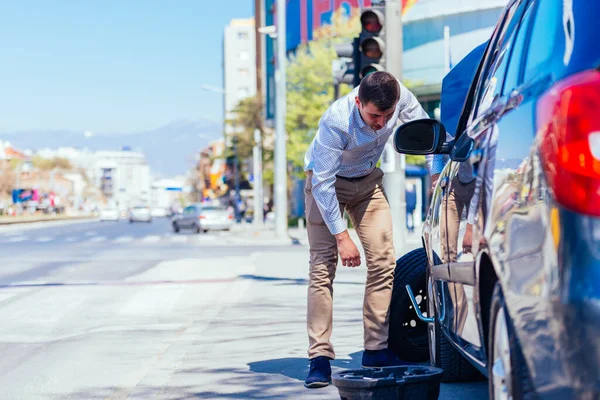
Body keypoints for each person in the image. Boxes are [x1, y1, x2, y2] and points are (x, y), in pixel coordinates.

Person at [303, 71, 434, 388]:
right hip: (327, 185)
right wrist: (342, 236)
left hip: (367, 184)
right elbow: (322, 185)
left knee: (383, 261)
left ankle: (375, 350)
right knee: (323, 267)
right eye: (376, 115)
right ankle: (319, 357)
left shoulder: (399, 94)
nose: (381, 123)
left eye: (388, 116)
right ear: (359, 102)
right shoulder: (337, 120)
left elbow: (425, 132)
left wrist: (436, 175)